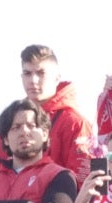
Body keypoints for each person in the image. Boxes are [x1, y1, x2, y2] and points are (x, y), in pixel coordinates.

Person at [13, 45, 94, 180]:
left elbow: (82, 181)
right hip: (8, 199)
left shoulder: (75, 123)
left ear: (57, 78)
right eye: (27, 73)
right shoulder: (11, 120)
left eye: (41, 73)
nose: (33, 80)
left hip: (57, 199)